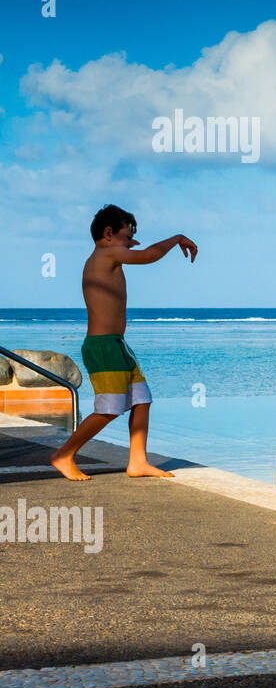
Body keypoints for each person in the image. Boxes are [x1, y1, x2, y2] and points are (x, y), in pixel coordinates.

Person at [49, 204, 198, 482]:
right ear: (108, 233)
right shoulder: (108, 253)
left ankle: (138, 461)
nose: (130, 243)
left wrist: (126, 240)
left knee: (142, 400)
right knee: (108, 409)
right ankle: (64, 454)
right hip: (103, 346)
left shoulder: (108, 253)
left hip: (118, 345)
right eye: (127, 237)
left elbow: (133, 250)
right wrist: (177, 238)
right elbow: (148, 256)